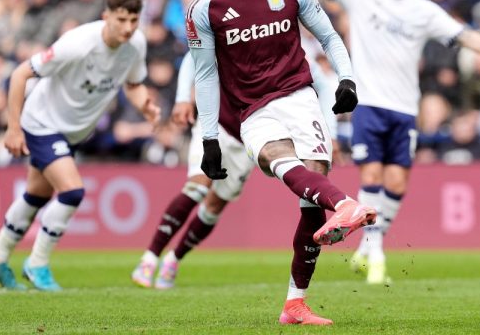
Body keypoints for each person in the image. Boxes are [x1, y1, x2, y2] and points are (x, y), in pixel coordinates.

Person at [267, 0, 480, 284]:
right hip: (369, 104)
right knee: (372, 176)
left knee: (398, 183)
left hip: (405, 108)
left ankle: (368, 248)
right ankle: (376, 255)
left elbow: (463, 35)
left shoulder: (424, 11)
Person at [187, 0, 376, 326]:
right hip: (251, 110)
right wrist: (209, 139)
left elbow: (329, 36)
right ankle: (346, 204)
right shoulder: (205, 6)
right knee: (277, 158)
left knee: (311, 201)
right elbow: (204, 74)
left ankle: (295, 304)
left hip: (301, 98)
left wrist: (347, 80)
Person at [0, 0, 161, 291]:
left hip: (73, 131)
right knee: (73, 192)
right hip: (42, 123)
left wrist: (145, 103)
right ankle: (37, 263)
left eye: (134, 20)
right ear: (106, 17)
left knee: (36, 195)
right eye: (122, 20)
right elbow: (20, 74)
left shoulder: (136, 44)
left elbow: (133, 83)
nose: (129, 27)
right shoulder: (77, 44)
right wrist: (13, 128)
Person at [131, 51, 339, 290]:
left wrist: (329, 132)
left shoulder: (288, 47)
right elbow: (193, 57)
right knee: (197, 187)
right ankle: (149, 258)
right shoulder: (236, 28)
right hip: (214, 126)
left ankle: (174, 258)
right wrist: (182, 98)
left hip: (248, 139)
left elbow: (322, 84)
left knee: (213, 207)